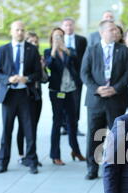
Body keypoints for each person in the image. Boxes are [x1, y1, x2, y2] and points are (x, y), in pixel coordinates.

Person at [80, 20, 128, 180]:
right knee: (94, 135)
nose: (116, 33)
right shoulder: (92, 49)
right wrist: (97, 88)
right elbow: (84, 73)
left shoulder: (123, 50)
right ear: (102, 32)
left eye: (116, 30)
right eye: (112, 30)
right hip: (96, 100)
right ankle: (92, 168)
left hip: (116, 99)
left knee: (118, 135)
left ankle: (118, 168)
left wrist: (115, 88)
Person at [0, 21, 42, 174]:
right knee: (7, 130)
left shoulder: (32, 50)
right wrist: (8, 79)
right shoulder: (3, 50)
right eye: (17, 30)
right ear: (11, 31)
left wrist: (27, 78)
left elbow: (38, 73)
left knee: (29, 130)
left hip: (25, 95)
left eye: (22, 30)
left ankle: (32, 161)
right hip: (9, 96)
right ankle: (3, 162)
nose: (20, 32)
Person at [45, 28, 85, 166]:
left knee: (72, 122)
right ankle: (55, 155)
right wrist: (54, 51)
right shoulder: (48, 52)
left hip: (70, 90)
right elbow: (49, 65)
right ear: (51, 38)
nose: (58, 39)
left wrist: (65, 50)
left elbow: (76, 59)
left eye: (61, 36)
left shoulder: (70, 50)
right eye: (56, 36)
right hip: (56, 91)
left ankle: (76, 150)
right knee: (57, 122)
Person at [16, 32, 46, 166]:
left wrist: (43, 67)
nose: (34, 44)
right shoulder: (24, 59)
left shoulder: (39, 58)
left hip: (37, 96)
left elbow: (45, 79)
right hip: (25, 96)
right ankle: (22, 155)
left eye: (36, 42)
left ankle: (31, 155)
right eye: (32, 42)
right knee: (23, 127)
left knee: (33, 128)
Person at [62, 17, 88, 137]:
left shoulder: (81, 40)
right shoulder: (59, 39)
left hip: (77, 77)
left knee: (75, 102)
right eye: (66, 25)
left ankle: (74, 126)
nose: (68, 27)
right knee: (62, 101)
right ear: (63, 27)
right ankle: (64, 126)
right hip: (62, 78)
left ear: (74, 26)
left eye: (70, 25)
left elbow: (85, 58)